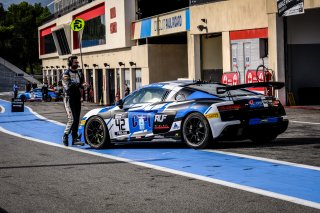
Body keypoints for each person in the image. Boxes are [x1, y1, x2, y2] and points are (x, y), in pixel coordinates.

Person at [62, 55, 84, 146]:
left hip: (77, 99)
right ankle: (65, 135)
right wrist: (79, 84)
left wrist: (84, 86)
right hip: (69, 98)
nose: (77, 63)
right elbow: (68, 86)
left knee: (77, 120)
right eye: (75, 62)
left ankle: (74, 138)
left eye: (77, 62)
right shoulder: (66, 74)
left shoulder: (79, 73)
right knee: (72, 119)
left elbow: (81, 85)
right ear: (70, 63)